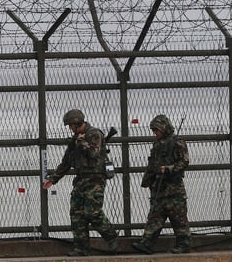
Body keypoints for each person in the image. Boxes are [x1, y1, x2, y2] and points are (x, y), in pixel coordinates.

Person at [42, 109, 118, 256]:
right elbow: (66, 162)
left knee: (92, 211)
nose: (70, 128)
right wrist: (54, 178)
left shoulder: (94, 134)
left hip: (95, 178)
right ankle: (81, 247)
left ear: (77, 122)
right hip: (81, 179)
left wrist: (82, 142)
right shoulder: (75, 139)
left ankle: (111, 235)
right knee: (76, 213)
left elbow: (94, 154)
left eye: (71, 125)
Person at [132, 115, 191, 254]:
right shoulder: (157, 144)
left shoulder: (177, 142)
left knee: (179, 219)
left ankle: (184, 244)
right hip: (159, 187)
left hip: (174, 188)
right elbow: (152, 164)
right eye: (154, 131)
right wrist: (148, 180)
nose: (155, 133)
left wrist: (169, 168)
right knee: (155, 217)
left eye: (157, 130)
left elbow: (184, 162)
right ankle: (146, 243)